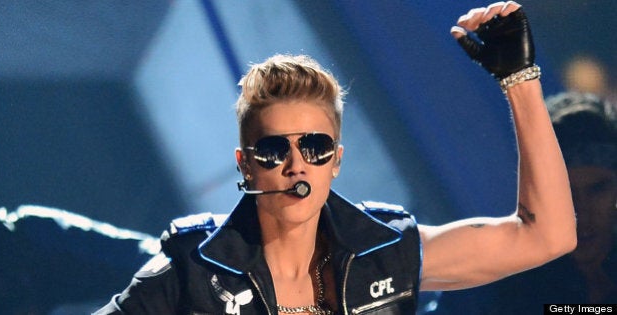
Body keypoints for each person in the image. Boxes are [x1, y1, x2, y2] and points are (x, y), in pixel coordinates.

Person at [94, 2, 576, 314]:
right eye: (273, 148)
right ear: (244, 163)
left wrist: (520, 78)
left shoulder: (386, 253)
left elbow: (547, 237)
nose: (296, 164)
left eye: (315, 147)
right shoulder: (190, 273)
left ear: (337, 160)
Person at [432, 92, 617, 314]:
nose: (581, 211)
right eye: (565, 194)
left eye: (597, 189)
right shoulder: (493, 283)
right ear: (537, 194)